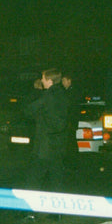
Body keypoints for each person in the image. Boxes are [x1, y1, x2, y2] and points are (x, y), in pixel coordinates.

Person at [22, 67, 70, 196]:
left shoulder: (47, 96)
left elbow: (28, 110)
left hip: (44, 145)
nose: (41, 80)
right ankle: (57, 213)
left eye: (43, 78)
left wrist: (39, 116)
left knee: (33, 179)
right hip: (59, 145)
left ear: (49, 80)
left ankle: (29, 212)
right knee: (56, 179)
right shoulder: (63, 95)